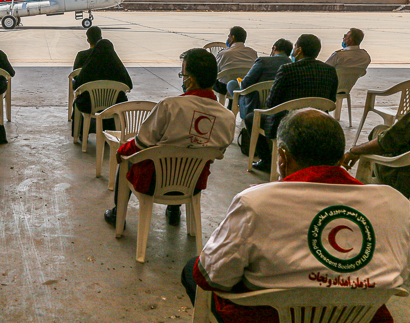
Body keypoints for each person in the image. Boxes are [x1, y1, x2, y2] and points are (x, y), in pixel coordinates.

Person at [182, 109, 410, 323]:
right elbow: (400, 272)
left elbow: (213, 277)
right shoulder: (394, 204)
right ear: (342, 160)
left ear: (282, 157)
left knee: (192, 271)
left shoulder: (257, 202)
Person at [103, 48, 234, 227]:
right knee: (188, 157)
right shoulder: (227, 117)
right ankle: (174, 209)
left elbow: (142, 142)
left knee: (128, 158)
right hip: (193, 183)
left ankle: (118, 213)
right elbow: (218, 152)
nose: (183, 78)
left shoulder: (170, 106)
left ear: (191, 79)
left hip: (155, 183)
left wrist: (121, 151)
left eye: (183, 74)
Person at [250, 34, 338, 172]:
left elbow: (272, 102)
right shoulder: (330, 71)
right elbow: (331, 101)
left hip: (289, 123)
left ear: (299, 50)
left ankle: (266, 160)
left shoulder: (288, 70)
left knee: (251, 118)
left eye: (295, 46)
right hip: (319, 124)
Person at [342, 94, 410, 199]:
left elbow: (387, 142)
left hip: (407, 183)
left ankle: (364, 200)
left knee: (378, 131)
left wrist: (354, 151)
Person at [226, 38, 292, 119]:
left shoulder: (263, 61)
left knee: (232, 84)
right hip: (280, 108)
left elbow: (245, 84)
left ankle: (239, 104)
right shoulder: (292, 65)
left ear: (274, 48)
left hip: (255, 107)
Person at [214, 26, 257, 95]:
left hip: (225, 88)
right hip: (246, 86)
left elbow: (216, 71)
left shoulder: (223, 53)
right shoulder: (253, 52)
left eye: (229, 37)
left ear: (233, 37)